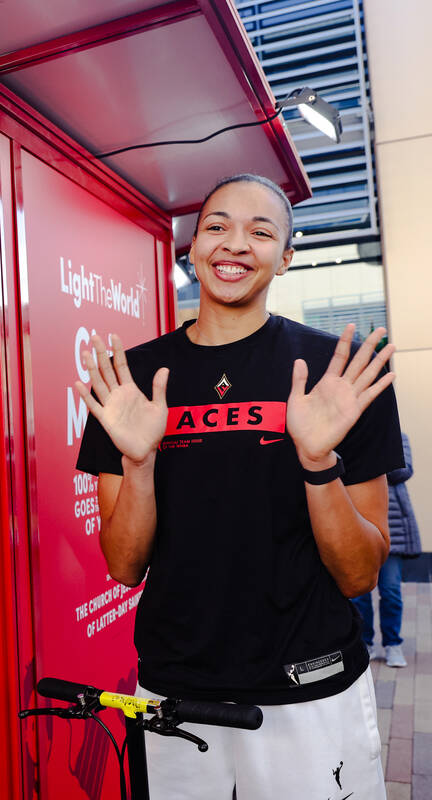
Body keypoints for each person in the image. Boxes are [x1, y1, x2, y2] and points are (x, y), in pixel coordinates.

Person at [76, 174, 402, 800]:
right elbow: (122, 566)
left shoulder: (339, 377)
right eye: (218, 227)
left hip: (311, 687)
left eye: (261, 231)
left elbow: (361, 573)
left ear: (286, 256)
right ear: (192, 248)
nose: (235, 245)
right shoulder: (133, 380)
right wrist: (139, 463)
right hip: (175, 689)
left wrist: (317, 458)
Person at [353, 432, 421, 667]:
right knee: (359, 595)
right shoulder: (352, 433)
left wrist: (375, 452)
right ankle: (365, 643)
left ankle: (393, 644)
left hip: (394, 532)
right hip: (360, 528)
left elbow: (404, 470)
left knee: (391, 592)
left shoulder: (397, 436)